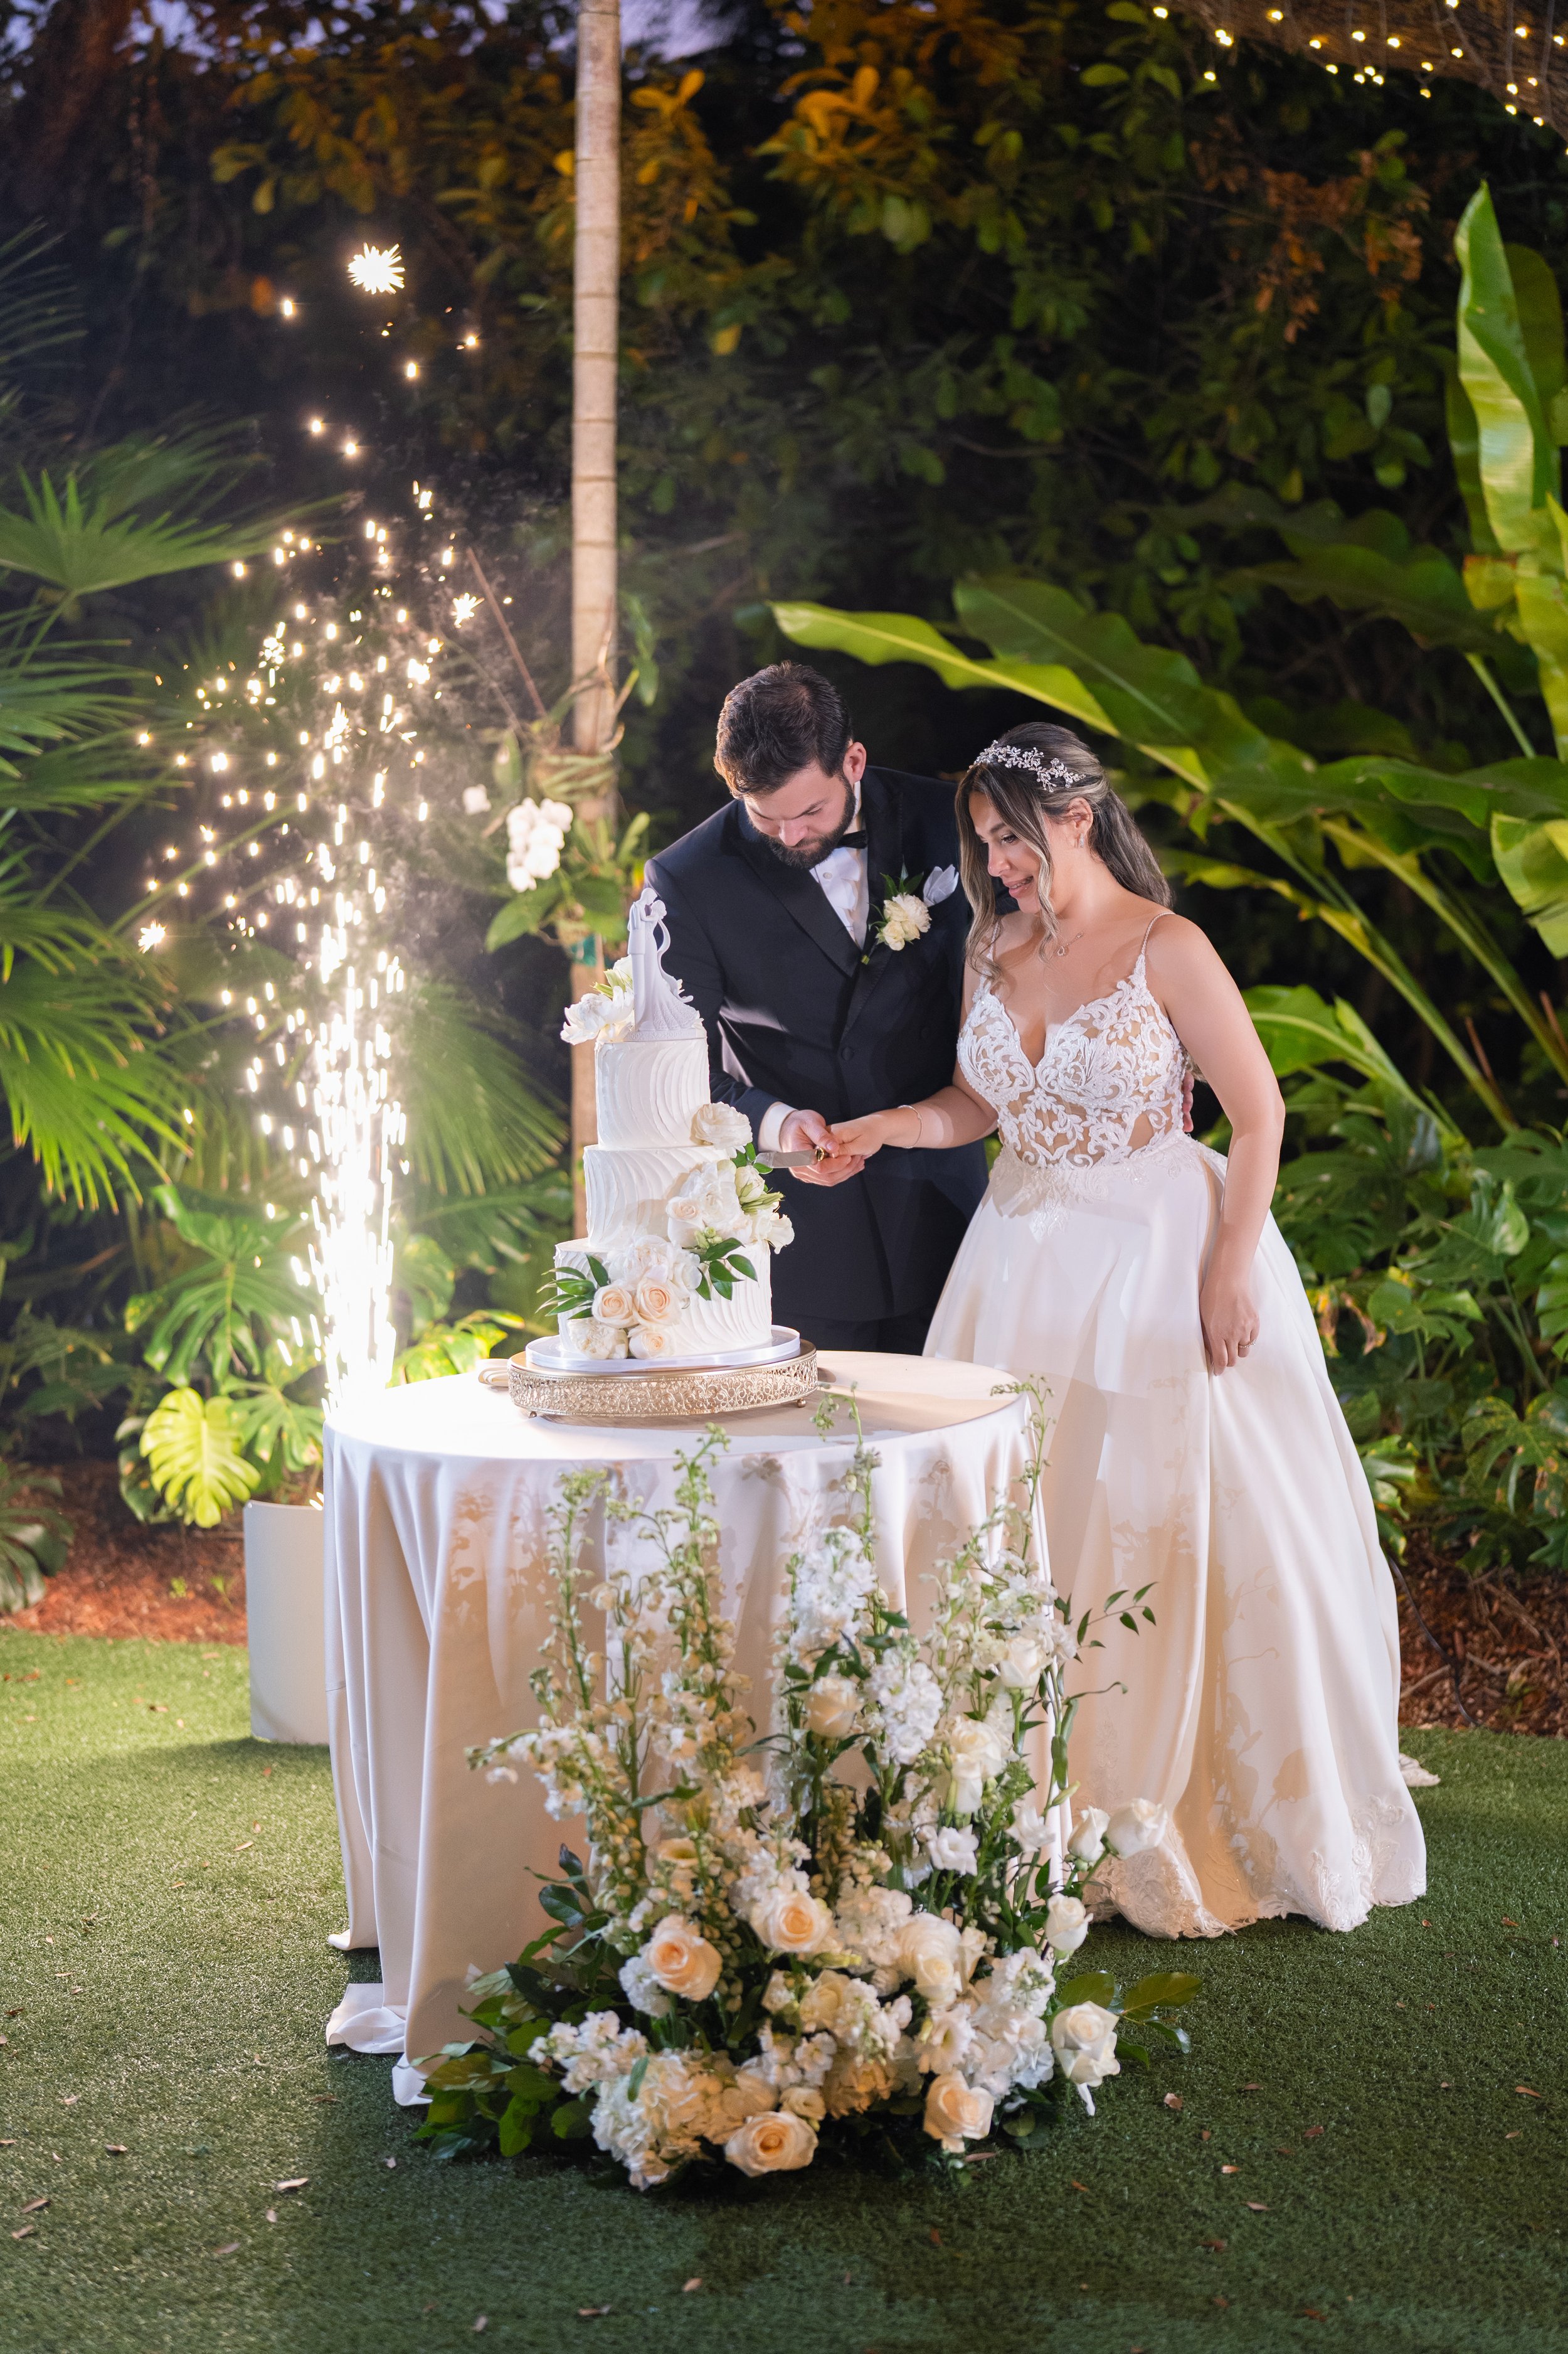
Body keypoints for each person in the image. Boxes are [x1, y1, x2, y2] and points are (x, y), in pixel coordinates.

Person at [831, 721, 1426, 1937]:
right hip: (1017, 1261)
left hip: (1158, 1252)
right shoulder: (991, 948)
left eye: (1007, 839)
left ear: (1073, 819)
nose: (994, 865)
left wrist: (1224, 1271)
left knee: (1168, 1516)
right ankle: (1022, 1786)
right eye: (983, 843)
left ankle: (1184, 1801)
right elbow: (976, 1105)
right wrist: (888, 1126)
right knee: (1020, 1516)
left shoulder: (1168, 946)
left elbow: (1256, 1117)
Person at [645, 663, 987, 1352]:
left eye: (810, 812)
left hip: (958, 1220)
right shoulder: (687, 879)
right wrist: (775, 1123)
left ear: (852, 761)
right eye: (764, 817)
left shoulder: (954, 822)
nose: (791, 836)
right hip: (802, 1244)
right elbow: (671, 1063)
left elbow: (1046, 962)